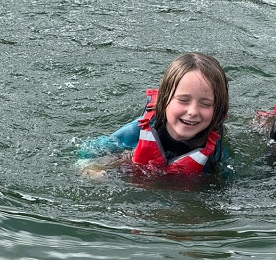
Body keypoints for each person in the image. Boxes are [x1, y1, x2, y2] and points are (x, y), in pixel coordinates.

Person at [77, 53, 230, 175]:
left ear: (218, 109)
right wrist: (90, 168)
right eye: (183, 100)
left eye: (206, 104)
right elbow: (89, 151)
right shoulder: (142, 128)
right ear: (164, 99)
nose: (193, 111)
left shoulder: (214, 147)